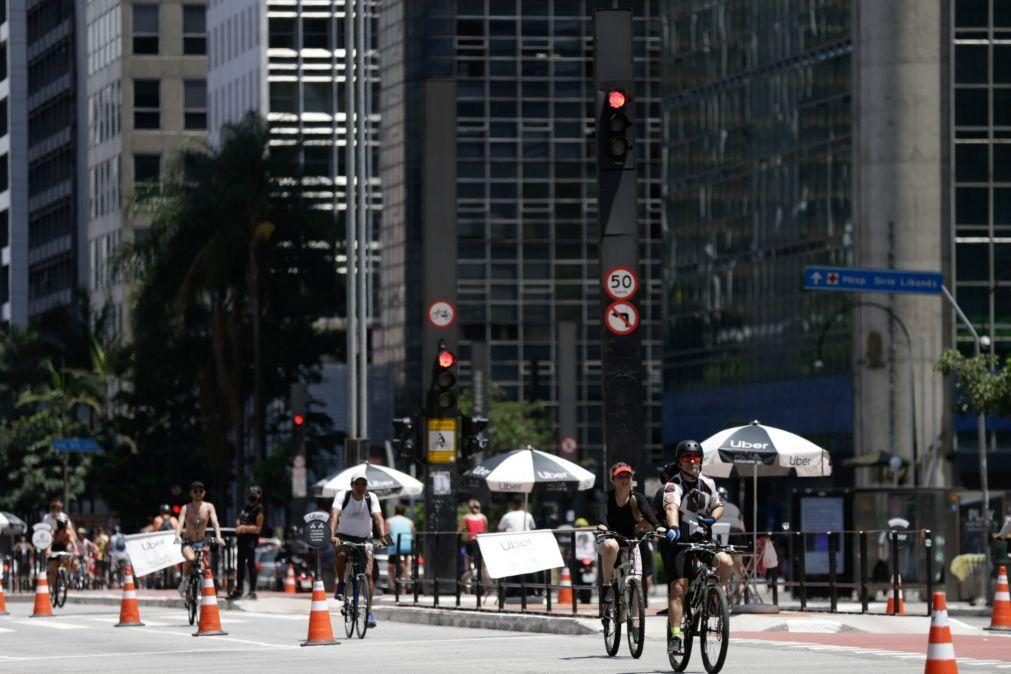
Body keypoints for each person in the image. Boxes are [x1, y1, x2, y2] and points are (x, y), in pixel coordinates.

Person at [662, 440, 734, 656]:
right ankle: (675, 635)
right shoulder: (673, 485)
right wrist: (673, 527)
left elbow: (719, 505)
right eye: (687, 458)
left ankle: (714, 598)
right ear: (679, 462)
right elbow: (672, 507)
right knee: (678, 588)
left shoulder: (708, 483)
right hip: (680, 542)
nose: (692, 461)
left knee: (726, 561)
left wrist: (713, 518)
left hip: (703, 540)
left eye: (696, 458)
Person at [596, 462, 662, 606]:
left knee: (637, 580)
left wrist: (657, 526)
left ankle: (636, 622)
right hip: (610, 540)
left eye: (628, 476)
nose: (625, 480)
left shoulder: (637, 498)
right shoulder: (606, 498)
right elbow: (602, 516)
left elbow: (649, 515)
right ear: (613, 480)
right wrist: (603, 526)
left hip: (630, 541)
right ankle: (607, 586)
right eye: (620, 477)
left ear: (632, 479)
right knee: (610, 545)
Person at [329, 471, 386, 628]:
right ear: (351, 485)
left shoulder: (371, 497)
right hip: (344, 536)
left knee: (368, 574)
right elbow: (334, 515)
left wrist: (382, 536)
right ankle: (341, 584)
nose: (361, 487)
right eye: (357, 484)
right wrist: (332, 535)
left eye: (363, 484)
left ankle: (368, 612)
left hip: (365, 538)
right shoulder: (343, 496)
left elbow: (378, 517)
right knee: (341, 554)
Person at [174, 481, 225, 596]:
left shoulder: (209, 507)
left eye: (200, 491)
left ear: (204, 493)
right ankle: (184, 581)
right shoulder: (185, 508)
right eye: (195, 491)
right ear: (191, 493)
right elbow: (180, 523)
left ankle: (199, 591)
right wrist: (177, 536)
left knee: (202, 566)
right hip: (188, 541)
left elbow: (215, 523)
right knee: (191, 558)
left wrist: (218, 537)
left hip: (201, 542)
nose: (198, 493)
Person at [229, 485, 265, 601]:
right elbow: (239, 518)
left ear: (259, 496)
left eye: (255, 494)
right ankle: (239, 590)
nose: (252, 496)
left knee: (251, 566)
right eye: (251, 494)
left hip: (250, 541)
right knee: (240, 565)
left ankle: (252, 591)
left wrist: (244, 528)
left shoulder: (259, 509)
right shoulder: (246, 507)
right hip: (241, 540)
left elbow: (258, 528)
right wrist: (238, 524)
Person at [387, 504, 415, 595]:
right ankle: (406, 582)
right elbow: (413, 533)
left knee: (390, 567)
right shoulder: (410, 522)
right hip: (407, 545)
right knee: (407, 565)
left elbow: (385, 534)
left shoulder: (389, 521)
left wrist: (389, 546)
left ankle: (394, 585)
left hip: (395, 546)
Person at [47, 512, 79, 589]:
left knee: (68, 560)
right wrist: (48, 550)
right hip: (54, 549)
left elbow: (73, 542)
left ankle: (65, 575)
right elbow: (50, 543)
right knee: (53, 569)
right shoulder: (54, 532)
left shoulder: (68, 533)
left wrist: (76, 550)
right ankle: (53, 587)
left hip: (63, 549)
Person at [458, 499, 488, 574]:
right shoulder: (483, 517)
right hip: (481, 542)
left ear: (469, 507)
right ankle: (483, 582)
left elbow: (459, 530)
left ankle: (468, 580)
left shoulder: (466, 517)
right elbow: (485, 530)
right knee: (482, 565)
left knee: (467, 563)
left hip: (471, 542)